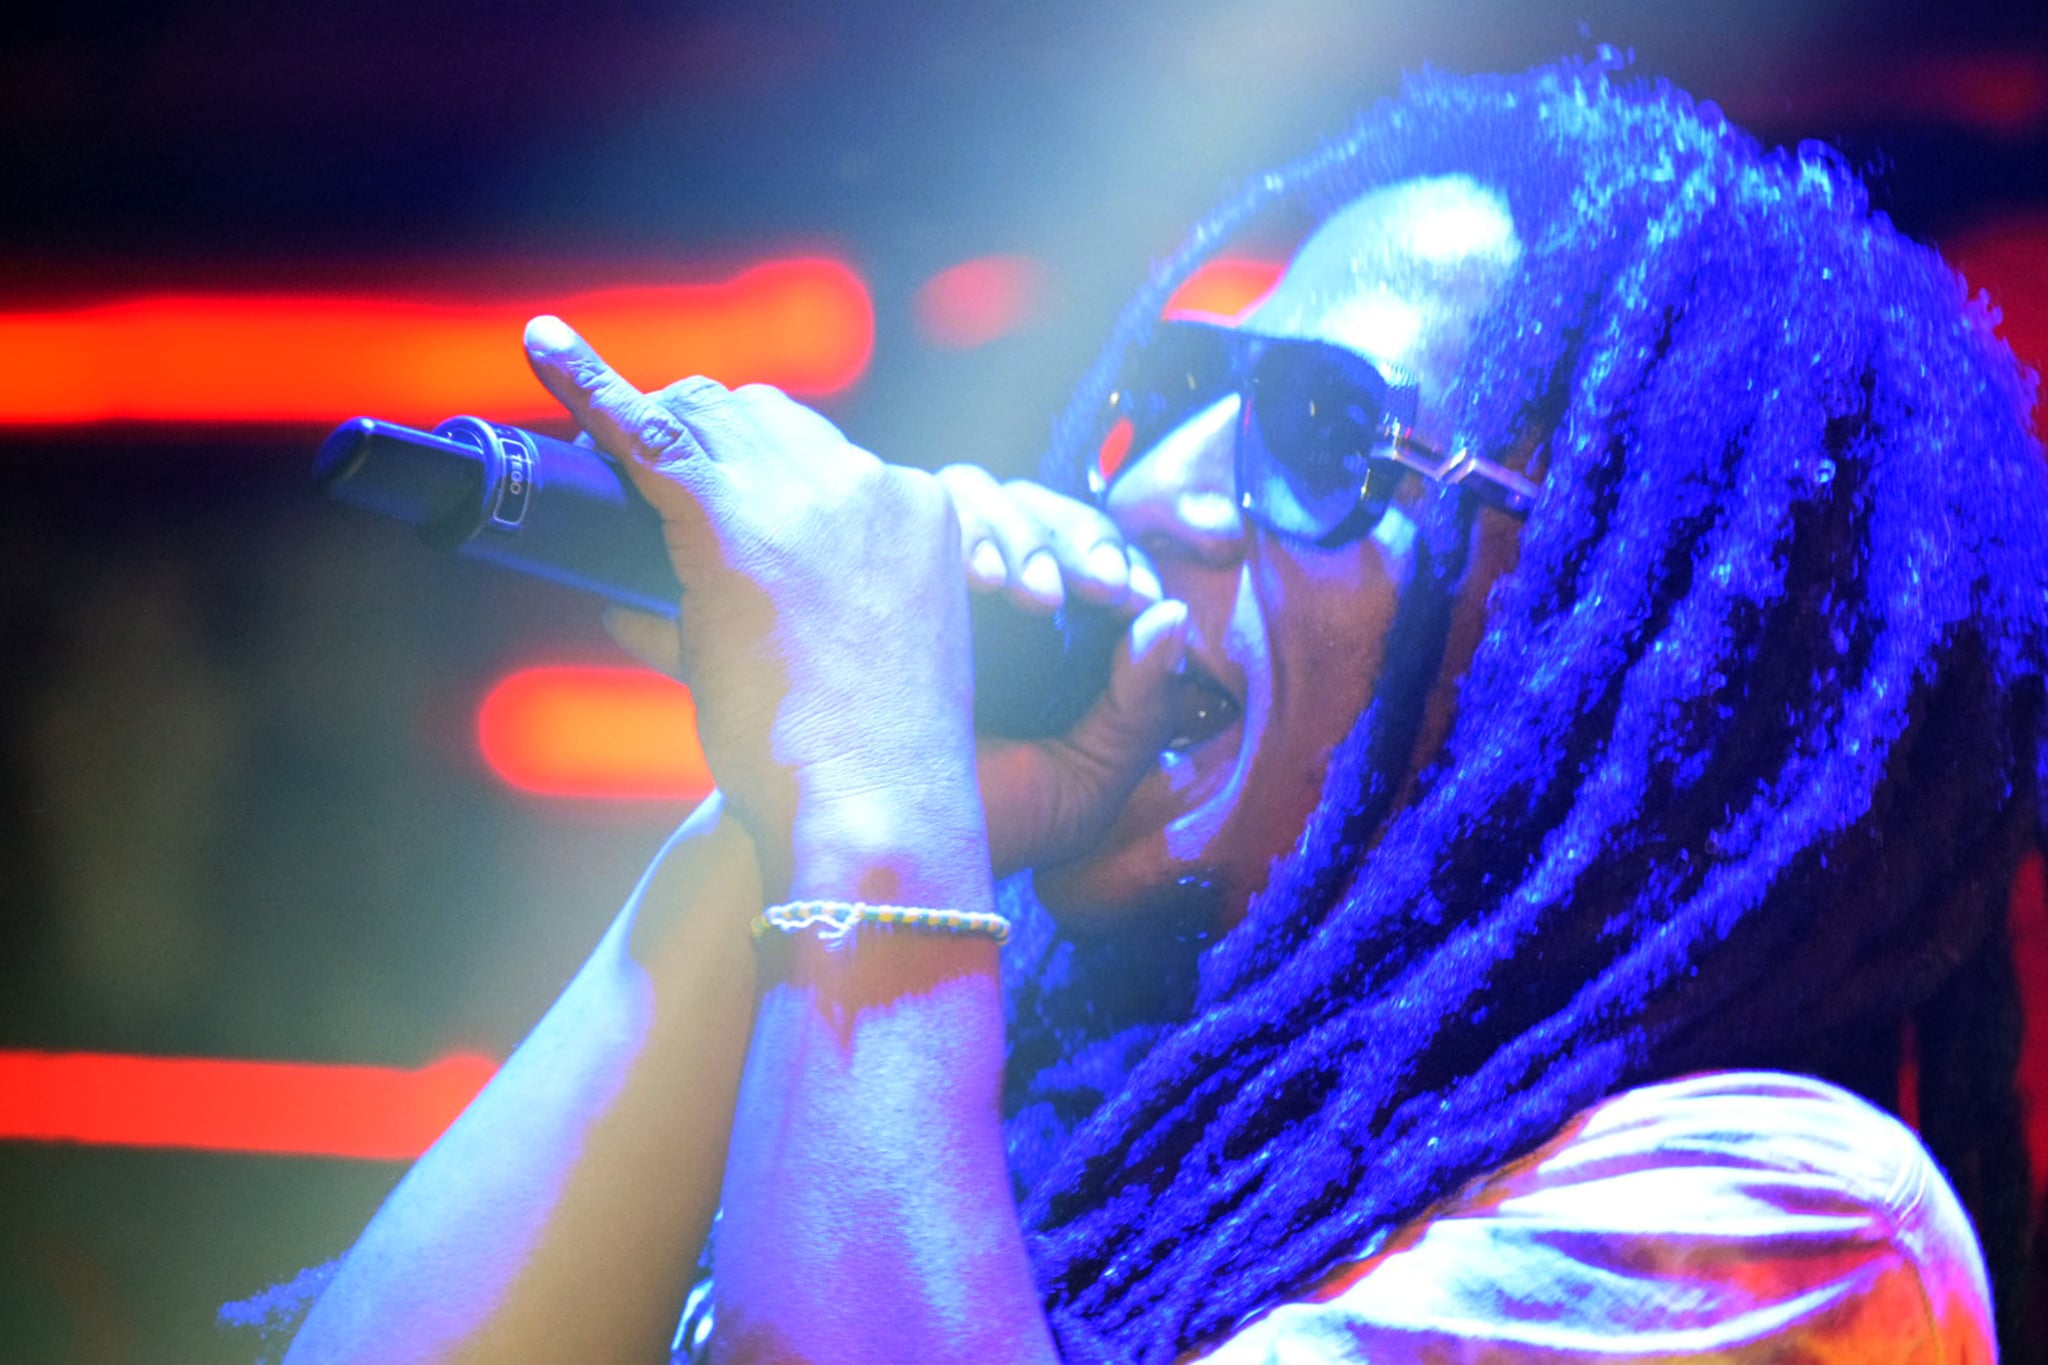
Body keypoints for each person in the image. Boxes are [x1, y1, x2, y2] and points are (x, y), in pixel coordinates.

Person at [264, 58, 2045, 1363]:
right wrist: (777, 819)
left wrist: (868, 804)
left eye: (1324, 440)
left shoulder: (1769, 1226)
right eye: (1188, 393)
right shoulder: (976, 1097)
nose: (1169, 489)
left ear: (1638, 669)